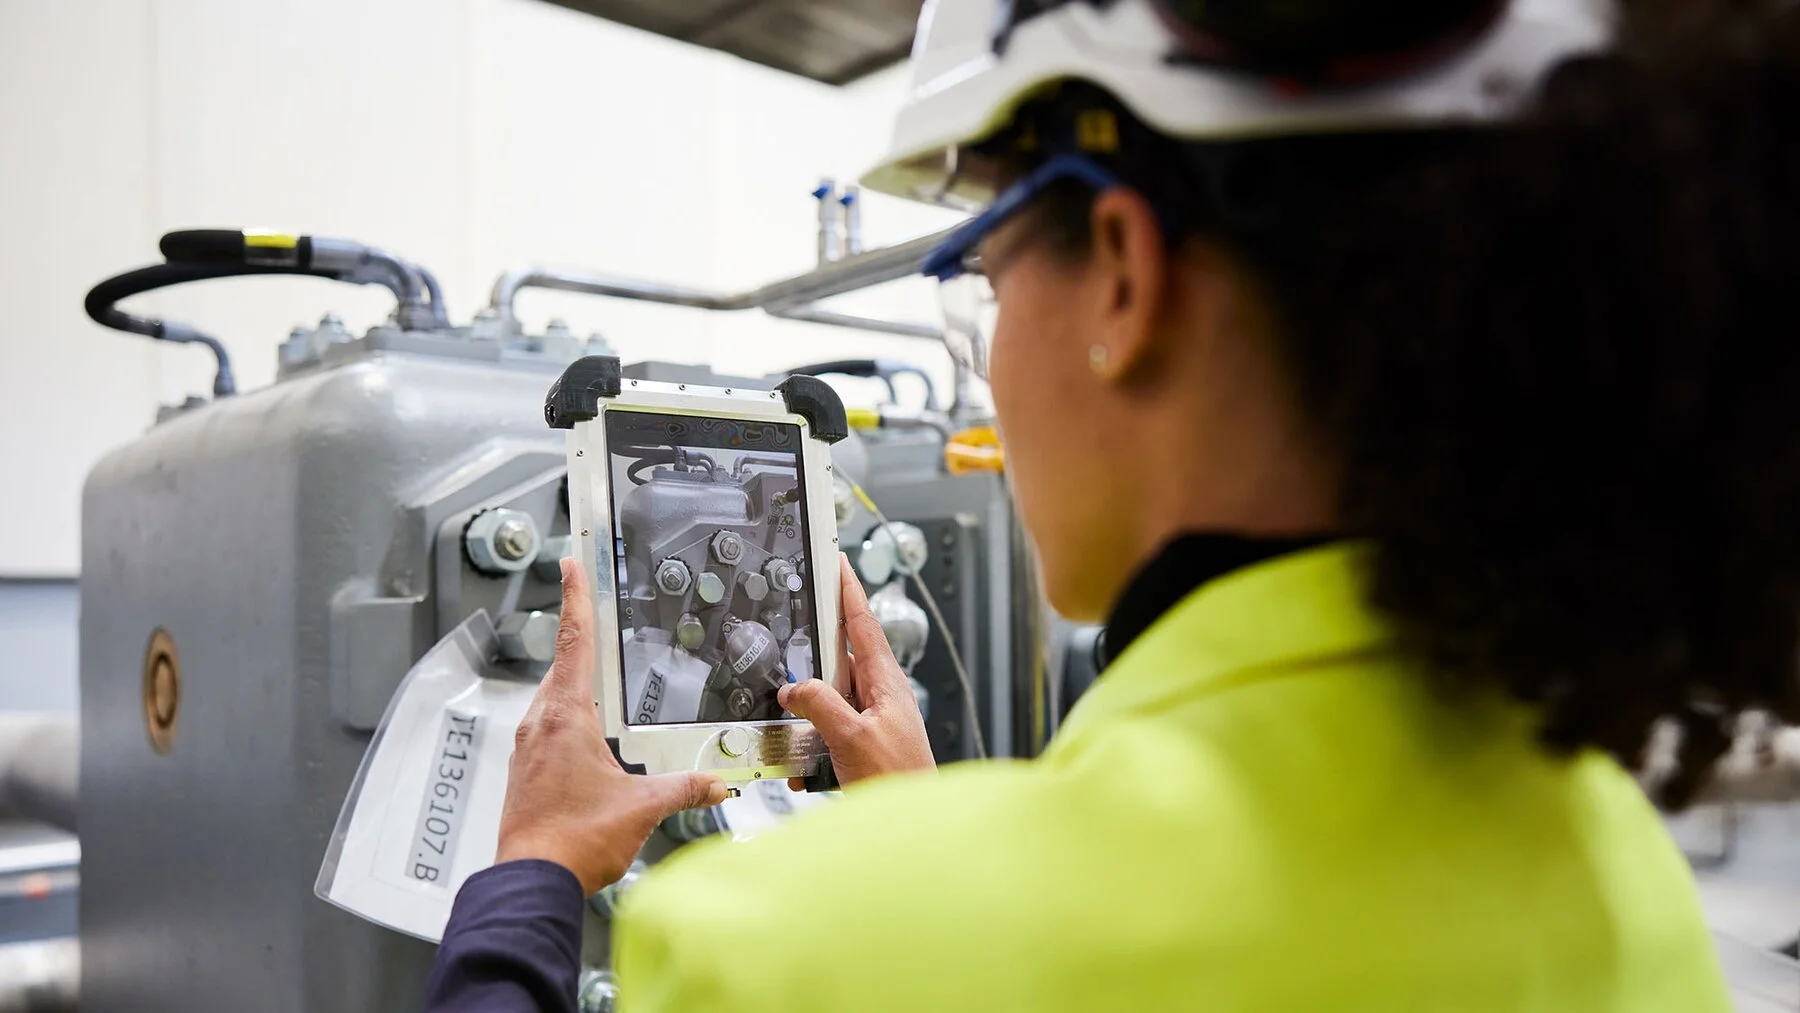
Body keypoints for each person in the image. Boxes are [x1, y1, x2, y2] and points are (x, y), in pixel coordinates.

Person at [421, 0, 1800, 1007]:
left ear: (1125, 277)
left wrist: (531, 876)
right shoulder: (1618, 873)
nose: (994, 338)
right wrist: (935, 836)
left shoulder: (789, 950)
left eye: (987, 263)